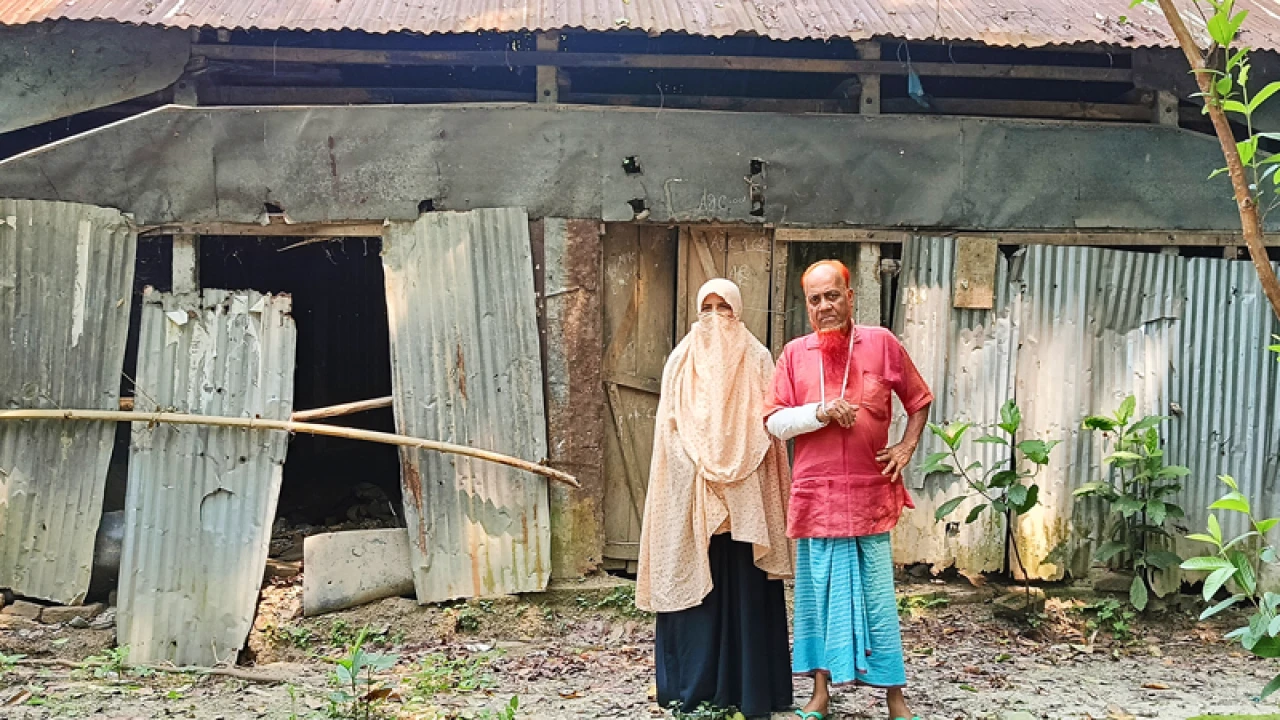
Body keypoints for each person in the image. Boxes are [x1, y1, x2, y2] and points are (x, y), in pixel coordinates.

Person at [765, 260, 933, 720]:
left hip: (870, 497)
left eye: (832, 296)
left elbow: (919, 400)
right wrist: (818, 412)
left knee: (877, 598)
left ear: (849, 295)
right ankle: (820, 695)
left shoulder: (881, 343)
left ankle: (895, 698)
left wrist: (905, 446)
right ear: (807, 306)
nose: (825, 306)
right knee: (816, 599)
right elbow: (774, 422)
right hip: (816, 499)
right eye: (815, 300)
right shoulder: (795, 354)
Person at [635, 278, 795, 719]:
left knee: (746, 590)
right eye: (705, 308)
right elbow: (668, 429)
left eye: (723, 308)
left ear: (738, 311)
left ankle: (751, 689)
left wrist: (740, 466)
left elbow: (769, 424)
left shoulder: (759, 358)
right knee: (693, 590)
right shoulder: (681, 359)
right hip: (692, 496)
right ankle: (693, 687)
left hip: (745, 503)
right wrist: (698, 467)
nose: (714, 318)